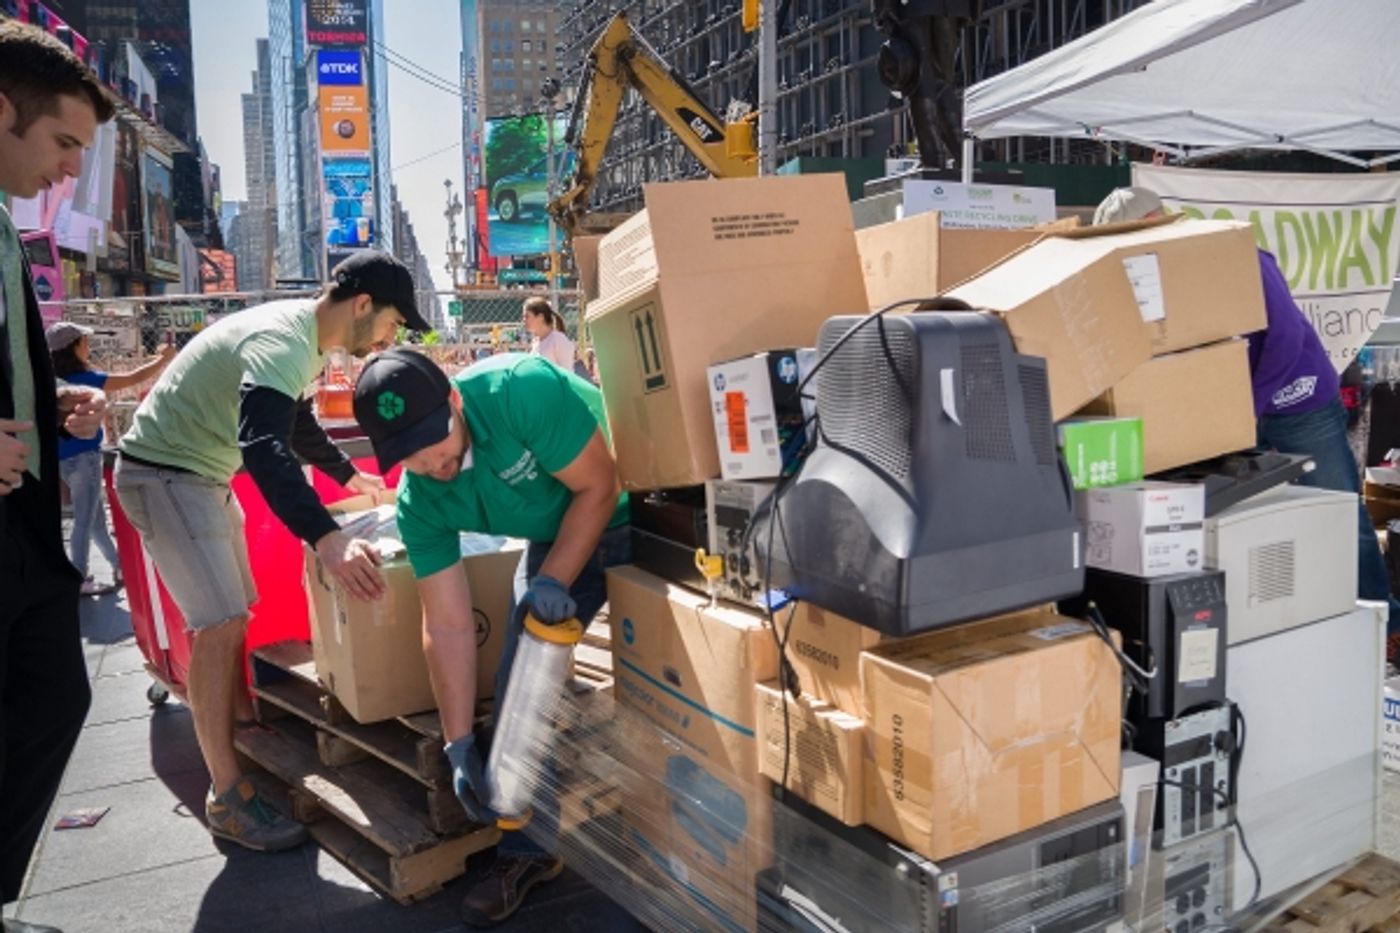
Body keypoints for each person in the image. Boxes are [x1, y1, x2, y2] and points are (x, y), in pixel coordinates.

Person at [113, 251, 430, 853]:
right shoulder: (285, 341)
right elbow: (263, 445)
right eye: (392, 322)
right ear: (362, 306)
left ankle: (233, 733)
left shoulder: (303, 339)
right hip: (167, 475)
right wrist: (328, 538)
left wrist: (349, 478)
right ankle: (227, 797)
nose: (392, 336)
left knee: (237, 612)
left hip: (197, 476)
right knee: (220, 621)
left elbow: (294, 423)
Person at [351, 348, 630, 928]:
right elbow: (448, 623)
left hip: (638, 505)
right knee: (522, 676)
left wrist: (553, 579)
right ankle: (528, 849)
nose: (432, 461)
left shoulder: (517, 391)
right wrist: (457, 743)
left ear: (455, 400)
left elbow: (602, 485)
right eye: (411, 454)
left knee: (674, 664)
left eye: (436, 438)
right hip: (557, 531)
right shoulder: (420, 500)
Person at [1095, 185, 1400, 646]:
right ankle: (1307, 615)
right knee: (1261, 521)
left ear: (1159, 222)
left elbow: (1285, 341)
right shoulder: (1156, 275)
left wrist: (1246, 409)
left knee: (1339, 511)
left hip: (1300, 400)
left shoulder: (1237, 256)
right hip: (1241, 409)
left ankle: (1385, 623)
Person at [0, 19, 113, 933]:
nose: (70, 173)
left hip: (21, 523)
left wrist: (51, 398)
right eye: (63, 142)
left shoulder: (3, 223)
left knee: (52, 697)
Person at [48, 321, 176, 594]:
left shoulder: (51, 382)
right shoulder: (87, 381)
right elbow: (133, 378)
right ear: (74, 348)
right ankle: (80, 577)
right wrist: (163, 359)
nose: (88, 347)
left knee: (95, 521)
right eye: (84, 342)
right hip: (85, 459)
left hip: (62, 460)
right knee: (84, 521)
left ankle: (118, 566)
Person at [521, 296, 576, 370]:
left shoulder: (558, 339)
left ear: (541, 317)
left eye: (527, 316)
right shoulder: (535, 342)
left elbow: (567, 373)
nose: (523, 320)